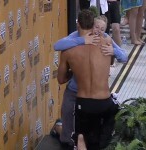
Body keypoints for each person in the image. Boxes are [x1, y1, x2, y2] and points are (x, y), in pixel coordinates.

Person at [54, 14, 127, 149]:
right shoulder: (105, 41)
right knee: (94, 140)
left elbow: (60, 78)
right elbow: (57, 45)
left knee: (79, 138)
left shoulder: (69, 50)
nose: (98, 30)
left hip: (83, 101)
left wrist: (114, 50)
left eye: (102, 28)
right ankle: (60, 128)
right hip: (101, 100)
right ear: (92, 25)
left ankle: (60, 128)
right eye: (96, 27)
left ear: (78, 24)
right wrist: (83, 40)